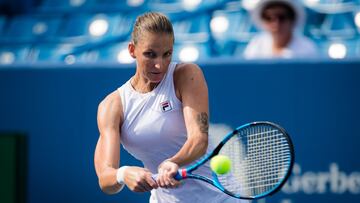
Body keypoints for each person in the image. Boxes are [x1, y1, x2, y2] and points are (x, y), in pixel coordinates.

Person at [94, 12, 246, 202]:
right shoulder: (112, 106)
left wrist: (173, 162)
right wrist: (123, 174)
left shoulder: (186, 75)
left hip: (221, 199)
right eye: (150, 54)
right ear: (132, 50)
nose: (159, 65)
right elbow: (105, 178)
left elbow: (199, 140)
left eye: (167, 54)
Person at [244, 0, 318, 59]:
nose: (276, 23)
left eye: (281, 17)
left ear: (292, 20)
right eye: (268, 18)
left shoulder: (307, 49)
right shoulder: (256, 45)